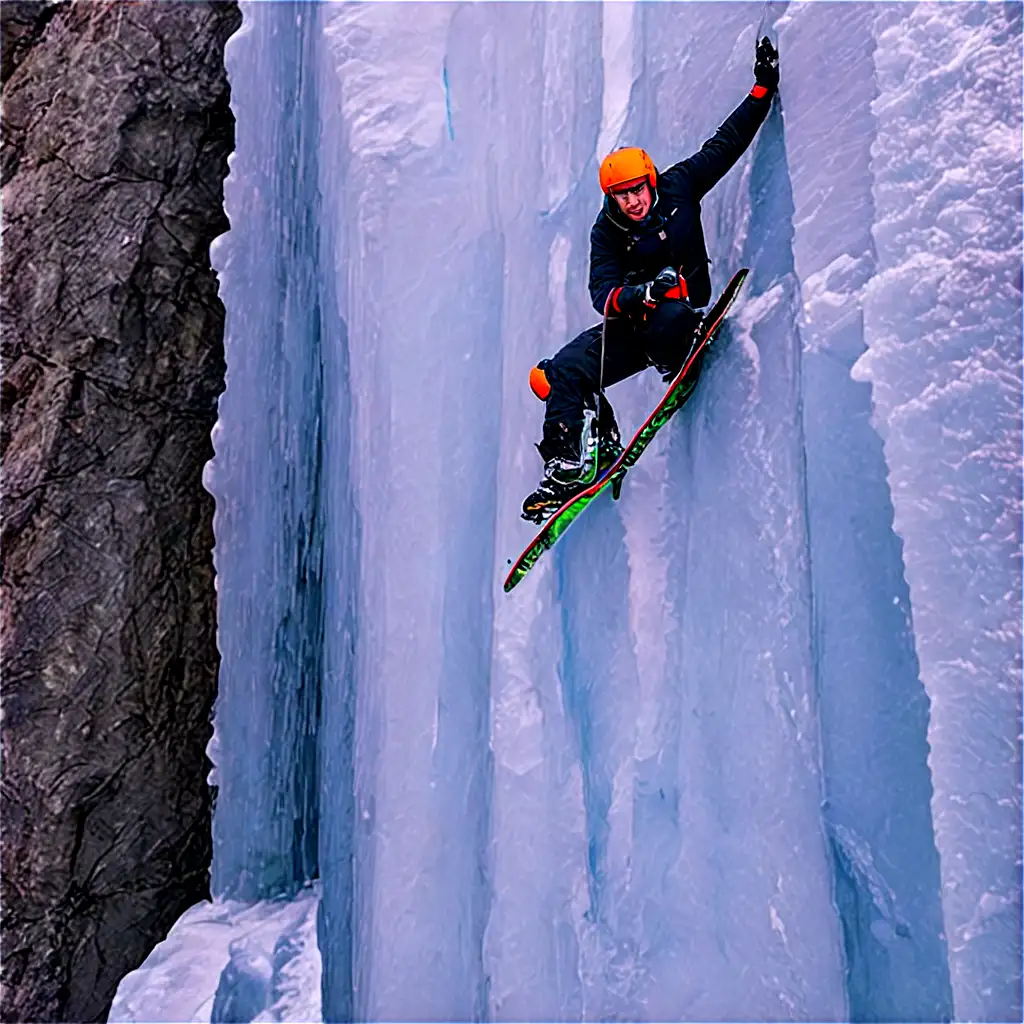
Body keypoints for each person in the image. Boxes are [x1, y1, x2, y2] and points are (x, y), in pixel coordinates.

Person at [521, 37, 780, 523]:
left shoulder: (680, 186)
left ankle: (676, 352)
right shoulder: (607, 232)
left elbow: (724, 147)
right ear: (613, 200)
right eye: (622, 196)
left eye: (637, 190)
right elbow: (603, 293)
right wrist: (639, 294)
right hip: (633, 325)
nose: (634, 201)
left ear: (650, 181)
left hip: (677, 319)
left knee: (674, 315)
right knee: (557, 372)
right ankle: (573, 460)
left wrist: (762, 91)